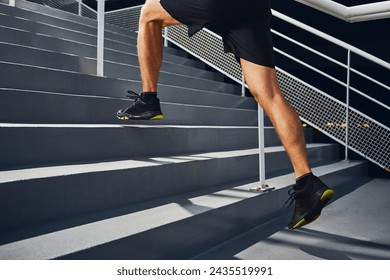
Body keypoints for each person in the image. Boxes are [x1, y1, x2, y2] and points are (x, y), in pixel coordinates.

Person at [117, 0, 334, 230]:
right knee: (269, 94)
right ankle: (307, 182)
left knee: (149, 12)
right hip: (251, 8)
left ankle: (148, 99)